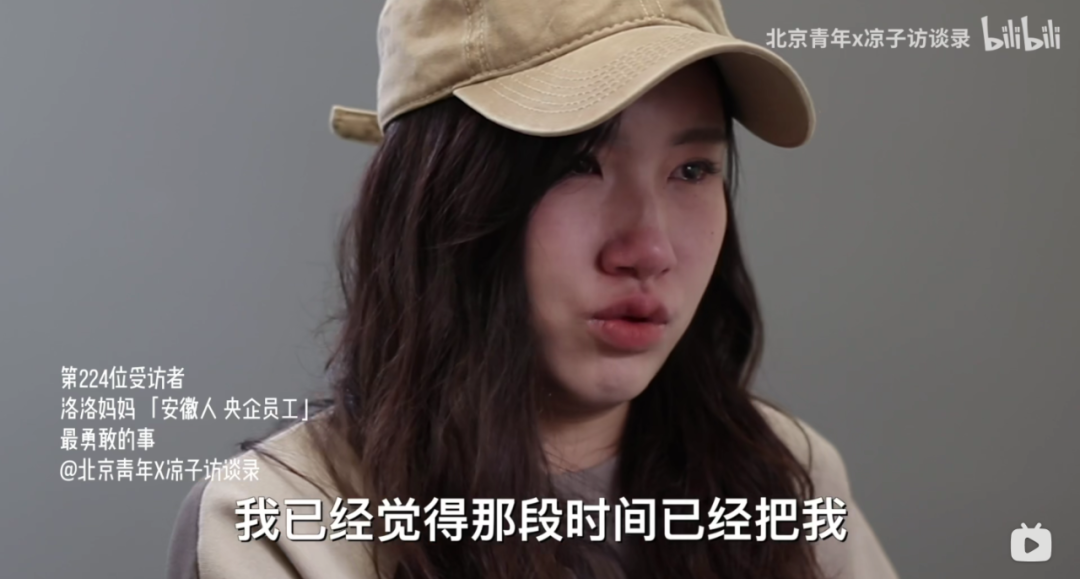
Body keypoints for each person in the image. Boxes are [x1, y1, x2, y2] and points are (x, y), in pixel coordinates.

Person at [168, 0, 898, 578]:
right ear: (436, 196)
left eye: (692, 171)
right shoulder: (283, 524)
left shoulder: (786, 476)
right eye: (577, 165)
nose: (649, 250)